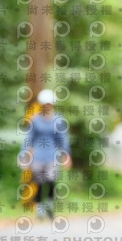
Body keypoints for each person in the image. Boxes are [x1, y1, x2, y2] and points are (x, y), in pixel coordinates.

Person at [20, 89, 72, 219]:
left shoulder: (58, 120)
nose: (47, 107)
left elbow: (63, 139)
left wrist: (66, 155)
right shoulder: (35, 120)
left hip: (52, 156)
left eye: (49, 104)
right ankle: (39, 209)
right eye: (45, 104)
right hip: (38, 155)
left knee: (51, 180)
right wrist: (24, 155)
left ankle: (49, 204)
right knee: (39, 182)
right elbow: (29, 139)